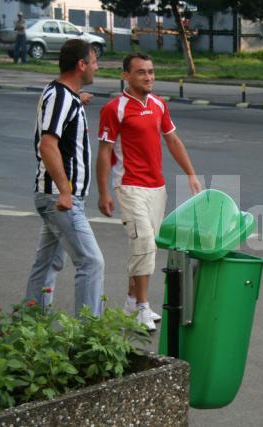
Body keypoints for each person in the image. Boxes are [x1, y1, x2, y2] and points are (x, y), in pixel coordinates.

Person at [97, 52, 202, 331]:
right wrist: (103, 192)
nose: (148, 77)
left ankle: (132, 302)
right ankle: (143, 306)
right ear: (126, 76)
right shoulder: (114, 108)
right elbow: (104, 152)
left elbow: (173, 140)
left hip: (157, 188)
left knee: (147, 247)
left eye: (151, 71)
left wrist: (191, 174)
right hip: (129, 185)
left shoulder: (158, 105)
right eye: (141, 72)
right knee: (142, 241)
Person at [25, 39, 104, 316]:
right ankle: (88, 337)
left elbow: (60, 113)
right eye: (94, 61)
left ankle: (31, 329)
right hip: (59, 198)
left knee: (47, 264)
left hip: (55, 196)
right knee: (91, 262)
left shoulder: (64, 95)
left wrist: (77, 101)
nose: (97, 67)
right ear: (81, 65)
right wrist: (64, 190)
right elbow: (48, 144)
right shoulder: (60, 97)